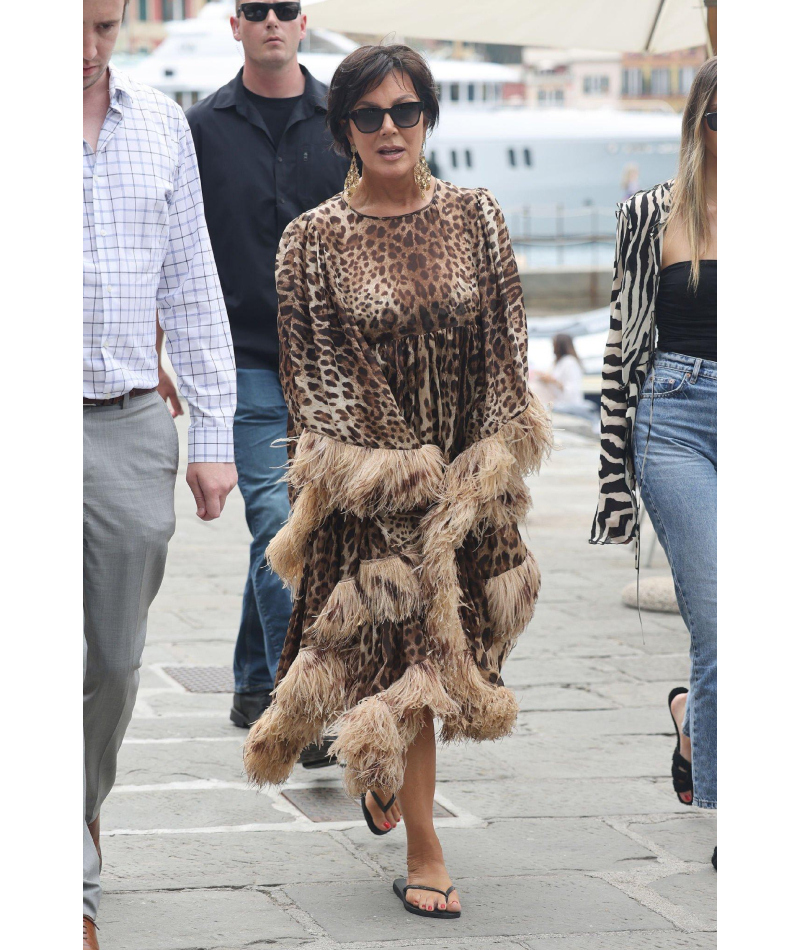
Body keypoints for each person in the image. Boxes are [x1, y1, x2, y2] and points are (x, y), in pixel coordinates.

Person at [243, 44, 552, 919]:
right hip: (370, 480)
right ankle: (425, 842)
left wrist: (474, 466)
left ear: (427, 118)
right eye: (370, 114)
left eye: (405, 110)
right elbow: (315, 377)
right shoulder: (311, 242)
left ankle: (385, 780)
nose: (389, 128)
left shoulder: (476, 217)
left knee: (473, 627)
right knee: (416, 644)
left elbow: (506, 343)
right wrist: (405, 472)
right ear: (345, 128)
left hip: (469, 470)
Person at [83, 2, 238, 946]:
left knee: (110, 658)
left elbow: (192, 283)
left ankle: (76, 801)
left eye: (100, 25)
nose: (83, 48)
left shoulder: (160, 126)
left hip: (131, 422)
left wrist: (214, 433)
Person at [182, 2, 349, 748]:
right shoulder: (202, 127)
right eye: (257, 10)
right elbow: (174, 243)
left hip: (336, 370)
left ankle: (254, 678)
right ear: (238, 26)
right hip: (238, 361)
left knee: (293, 528)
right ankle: (302, 705)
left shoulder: (344, 120)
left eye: (285, 9)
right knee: (280, 526)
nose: (272, 21)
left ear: (303, 23)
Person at [590, 58, 717, 866]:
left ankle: (695, 727)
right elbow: (620, 348)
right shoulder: (649, 215)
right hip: (677, 422)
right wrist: (612, 484)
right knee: (724, 626)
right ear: (699, 122)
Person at [532, 333, 597, 421]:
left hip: (567, 402)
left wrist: (553, 381)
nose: (552, 347)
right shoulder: (556, 363)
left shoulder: (570, 362)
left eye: (554, 344)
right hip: (555, 400)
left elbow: (572, 390)